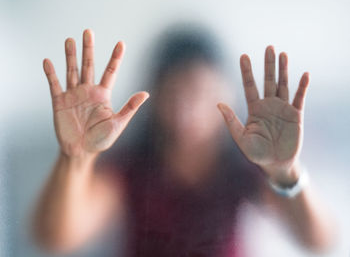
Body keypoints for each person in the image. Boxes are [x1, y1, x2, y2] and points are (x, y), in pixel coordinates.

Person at [33, 25, 336, 257]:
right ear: (155, 96)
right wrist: (75, 156)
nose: (186, 109)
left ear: (225, 95)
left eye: (199, 92)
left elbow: (319, 240)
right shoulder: (131, 168)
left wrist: (285, 172)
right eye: (173, 93)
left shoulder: (244, 166)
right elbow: (54, 237)